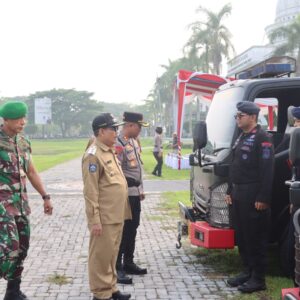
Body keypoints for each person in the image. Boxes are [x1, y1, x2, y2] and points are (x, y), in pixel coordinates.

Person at [0, 101, 53, 300]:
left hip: (21, 204)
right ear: (5, 120)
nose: (22, 122)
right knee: (9, 249)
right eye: (17, 119)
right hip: (2, 205)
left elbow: (31, 171)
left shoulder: (23, 141)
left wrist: (45, 196)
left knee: (22, 247)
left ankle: (13, 292)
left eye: (24, 118)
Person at [225, 101, 274, 293]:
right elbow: (235, 165)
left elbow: (267, 170)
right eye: (236, 116)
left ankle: (258, 279)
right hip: (238, 193)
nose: (237, 119)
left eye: (240, 116)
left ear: (252, 117)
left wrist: (263, 198)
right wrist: (230, 190)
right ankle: (247, 271)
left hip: (253, 195)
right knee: (243, 237)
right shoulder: (242, 136)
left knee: (255, 237)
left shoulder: (263, 138)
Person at [82, 113, 131, 300]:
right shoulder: (93, 155)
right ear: (101, 131)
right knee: (100, 257)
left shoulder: (108, 151)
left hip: (116, 214)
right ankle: (101, 294)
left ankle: (111, 288)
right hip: (104, 217)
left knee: (111, 254)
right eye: (113, 129)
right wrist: (94, 220)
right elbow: (90, 191)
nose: (116, 132)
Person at [116, 112, 149, 284]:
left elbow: (138, 168)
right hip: (125, 195)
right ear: (129, 125)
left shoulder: (133, 142)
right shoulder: (118, 143)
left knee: (133, 228)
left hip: (135, 194)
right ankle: (118, 267)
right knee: (123, 231)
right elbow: (117, 171)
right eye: (139, 127)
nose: (140, 131)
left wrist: (141, 188)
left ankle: (128, 262)